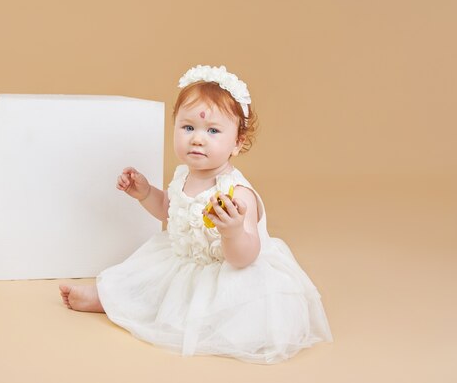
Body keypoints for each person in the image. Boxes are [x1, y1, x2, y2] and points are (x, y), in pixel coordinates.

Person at [59, 65, 333, 363]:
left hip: (228, 271)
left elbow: (246, 256)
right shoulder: (182, 176)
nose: (197, 139)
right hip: (184, 262)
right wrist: (146, 193)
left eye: (213, 131)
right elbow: (170, 211)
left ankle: (194, 318)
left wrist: (233, 231)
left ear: (237, 143)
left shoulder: (238, 194)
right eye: (188, 128)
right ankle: (105, 298)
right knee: (139, 283)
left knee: (220, 316)